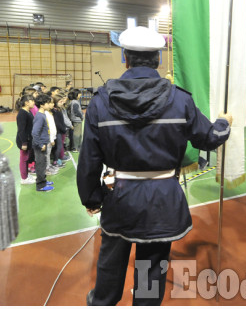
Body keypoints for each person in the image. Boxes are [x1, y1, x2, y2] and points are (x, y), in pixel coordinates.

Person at [77, 26, 233, 306]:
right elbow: (209, 139)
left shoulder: (100, 103)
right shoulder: (180, 100)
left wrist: (92, 197)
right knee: (151, 269)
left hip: (120, 197)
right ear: (159, 60)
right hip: (163, 200)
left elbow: (89, 158)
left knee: (110, 262)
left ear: (125, 58)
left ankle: (102, 302)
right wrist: (224, 122)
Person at [31, 94, 54, 192]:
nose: (49, 105)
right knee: (40, 165)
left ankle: (43, 180)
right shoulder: (40, 116)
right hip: (40, 145)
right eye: (48, 103)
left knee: (43, 164)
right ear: (42, 105)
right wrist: (41, 144)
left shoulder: (43, 114)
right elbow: (35, 132)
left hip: (43, 144)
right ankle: (40, 185)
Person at [15, 94, 36, 185]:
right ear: (27, 103)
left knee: (27, 158)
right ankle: (24, 178)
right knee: (23, 159)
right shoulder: (22, 114)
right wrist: (24, 143)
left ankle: (27, 175)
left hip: (29, 139)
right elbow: (21, 130)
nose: (34, 103)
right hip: (23, 140)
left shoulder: (28, 111)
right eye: (32, 101)